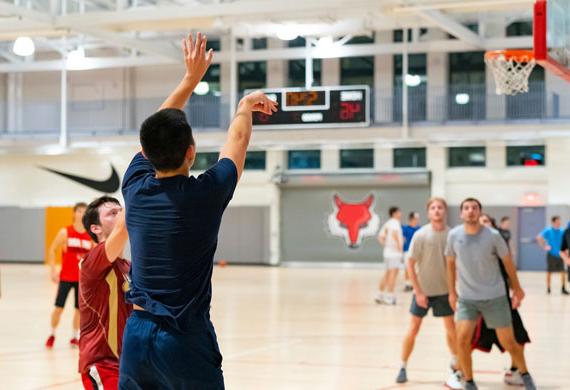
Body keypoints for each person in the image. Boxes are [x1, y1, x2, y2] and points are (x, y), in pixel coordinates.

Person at [119, 32, 278, 389]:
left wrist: (190, 79)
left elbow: (157, 130)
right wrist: (244, 106)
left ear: (145, 152)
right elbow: (236, 142)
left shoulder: (134, 187)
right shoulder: (206, 194)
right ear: (191, 152)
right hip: (183, 338)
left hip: (136, 337)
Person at [446, 198, 536, 390]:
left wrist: (517, 289)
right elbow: (450, 264)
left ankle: (525, 374)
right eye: (466, 208)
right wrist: (451, 293)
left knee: (509, 342)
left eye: (474, 208)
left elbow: (508, 263)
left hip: (495, 298)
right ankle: (469, 381)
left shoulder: (493, 235)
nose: (470, 211)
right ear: (461, 213)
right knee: (462, 340)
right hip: (467, 299)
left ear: (480, 212)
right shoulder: (454, 235)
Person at [395, 198, 461, 389]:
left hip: (445, 292)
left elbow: (456, 266)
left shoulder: (452, 235)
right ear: (428, 212)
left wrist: (453, 291)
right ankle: (403, 366)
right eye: (433, 208)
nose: (437, 210)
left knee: (451, 329)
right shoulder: (421, 235)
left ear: (445, 211)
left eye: (440, 207)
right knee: (413, 328)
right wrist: (418, 292)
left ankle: (455, 364)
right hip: (423, 292)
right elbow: (410, 264)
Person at [79, 196, 130, 390]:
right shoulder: (92, 260)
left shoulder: (129, 268)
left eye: (120, 211)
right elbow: (123, 228)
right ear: (96, 228)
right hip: (102, 363)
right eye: (112, 213)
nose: (120, 215)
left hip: (129, 363)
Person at [474, 214, 531, 386]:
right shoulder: (470, 247)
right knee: (466, 340)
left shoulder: (499, 247)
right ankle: (459, 370)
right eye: (481, 222)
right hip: (478, 302)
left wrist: (516, 291)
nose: (485, 225)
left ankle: (514, 371)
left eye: (488, 222)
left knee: (520, 337)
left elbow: (508, 272)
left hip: (502, 300)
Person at [46, 202, 92, 348]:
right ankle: (52, 333)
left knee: (79, 310)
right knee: (59, 308)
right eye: (79, 211)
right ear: (74, 213)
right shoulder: (65, 232)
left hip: (82, 279)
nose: (82, 214)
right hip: (65, 277)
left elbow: (95, 257)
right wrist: (53, 270)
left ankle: (74, 336)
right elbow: (52, 250)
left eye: (85, 211)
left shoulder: (90, 235)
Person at [375, 206, 404, 305]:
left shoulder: (388, 223)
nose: (401, 214)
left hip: (387, 252)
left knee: (387, 274)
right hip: (394, 253)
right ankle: (389, 297)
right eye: (399, 212)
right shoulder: (395, 223)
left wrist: (387, 245)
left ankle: (379, 294)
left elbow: (380, 237)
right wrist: (400, 249)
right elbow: (395, 235)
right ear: (395, 213)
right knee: (393, 274)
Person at [536, 216, 568, 295]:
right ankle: (548, 288)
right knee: (549, 271)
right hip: (551, 254)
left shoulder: (562, 231)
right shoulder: (548, 230)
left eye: (559, 222)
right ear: (553, 222)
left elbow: (566, 242)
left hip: (560, 254)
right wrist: (544, 246)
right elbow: (539, 237)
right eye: (557, 222)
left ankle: (563, 288)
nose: (558, 223)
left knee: (563, 271)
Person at [402, 211, 421, 292]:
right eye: (416, 218)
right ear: (412, 219)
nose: (417, 220)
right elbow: (402, 239)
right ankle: (407, 284)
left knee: (417, 268)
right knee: (407, 268)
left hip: (417, 251)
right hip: (407, 251)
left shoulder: (420, 229)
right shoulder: (405, 229)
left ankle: (415, 284)